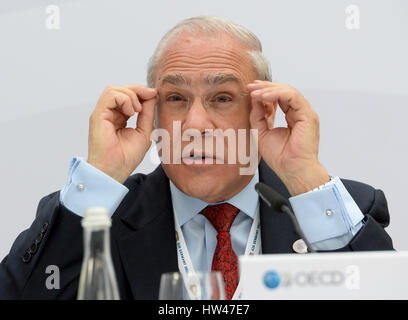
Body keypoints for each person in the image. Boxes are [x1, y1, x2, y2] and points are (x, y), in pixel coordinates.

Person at [0, 16, 393, 300]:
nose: (195, 123)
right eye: (175, 99)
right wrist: (103, 175)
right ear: (152, 116)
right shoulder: (102, 218)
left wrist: (304, 179)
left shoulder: (336, 209)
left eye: (222, 98)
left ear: (262, 113)